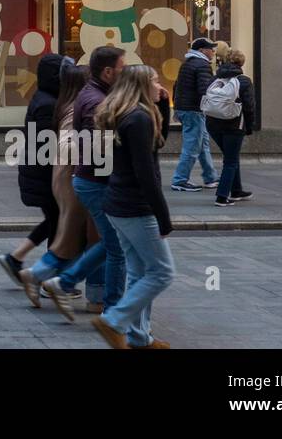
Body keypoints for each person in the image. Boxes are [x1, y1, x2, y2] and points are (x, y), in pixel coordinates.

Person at [92, 65, 175, 350]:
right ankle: (114, 320)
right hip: (134, 207)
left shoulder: (134, 115)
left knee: (140, 273)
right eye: (154, 81)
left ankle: (140, 338)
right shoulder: (138, 119)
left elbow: (157, 144)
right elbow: (146, 173)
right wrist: (164, 217)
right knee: (162, 272)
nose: (159, 85)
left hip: (119, 203)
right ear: (141, 85)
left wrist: (163, 105)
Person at [19, 63, 102, 321]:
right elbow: (66, 145)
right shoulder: (78, 107)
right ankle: (87, 293)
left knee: (82, 239)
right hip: (79, 180)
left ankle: (45, 276)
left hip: (72, 179)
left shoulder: (68, 105)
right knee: (95, 239)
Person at [68, 45, 128, 313]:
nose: (124, 74)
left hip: (91, 179)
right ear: (107, 72)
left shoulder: (97, 93)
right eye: (121, 69)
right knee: (116, 245)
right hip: (95, 181)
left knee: (109, 241)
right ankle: (112, 308)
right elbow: (99, 147)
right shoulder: (96, 101)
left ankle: (66, 281)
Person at [0, 53, 62, 286]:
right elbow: (48, 146)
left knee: (55, 221)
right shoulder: (48, 104)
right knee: (59, 223)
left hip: (39, 174)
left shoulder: (45, 98)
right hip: (45, 177)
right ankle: (50, 276)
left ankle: (16, 258)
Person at [206, 48, 256, 206]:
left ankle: (236, 190)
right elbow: (249, 107)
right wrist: (249, 126)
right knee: (230, 161)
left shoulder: (216, 78)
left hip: (212, 124)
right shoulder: (244, 81)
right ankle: (222, 196)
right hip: (234, 125)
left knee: (231, 157)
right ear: (241, 62)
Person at [171, 37, 219, 191]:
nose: (213, 51)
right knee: (192, 146)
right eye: (211, 48)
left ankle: (210, 177)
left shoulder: (188, 63)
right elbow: (205, 90)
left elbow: (176, 86)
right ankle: (179, 180)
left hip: (185, 108)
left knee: (202, 143)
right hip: (194, 110)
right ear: (202, 51)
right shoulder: (202, 65)